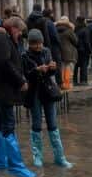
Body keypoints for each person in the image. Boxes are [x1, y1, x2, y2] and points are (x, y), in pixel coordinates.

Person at [0, 16, 35, 177]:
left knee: (0, 122)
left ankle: (1, 161)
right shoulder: (2, 39)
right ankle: (16, 166)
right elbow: (5, 63)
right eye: (20, 31)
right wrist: (20, 80)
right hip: (4, 87)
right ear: (14, 28)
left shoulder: (0, 38)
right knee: (8, 123)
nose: (20, 35)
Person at [23, 29, 73, 169]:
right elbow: (26, 74)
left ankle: (60, 157)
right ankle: (37, 157)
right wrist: (37, 70)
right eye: (35, 44)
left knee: (53, 123)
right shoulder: (25, 55)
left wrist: (52, 67)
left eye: (39, 43)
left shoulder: (47, 51)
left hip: (48, 91)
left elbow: (52, 71)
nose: (38, 46)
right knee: (37, 123)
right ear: (30, 44)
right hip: (34, 92)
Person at [55, 16, 78, 90]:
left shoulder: (55, 30)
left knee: (62, 69)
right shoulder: (69, 31)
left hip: (59, 52)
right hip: (69, 53)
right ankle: (68, 85)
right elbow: (76, 41)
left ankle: (62, 85)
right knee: (69, 70)